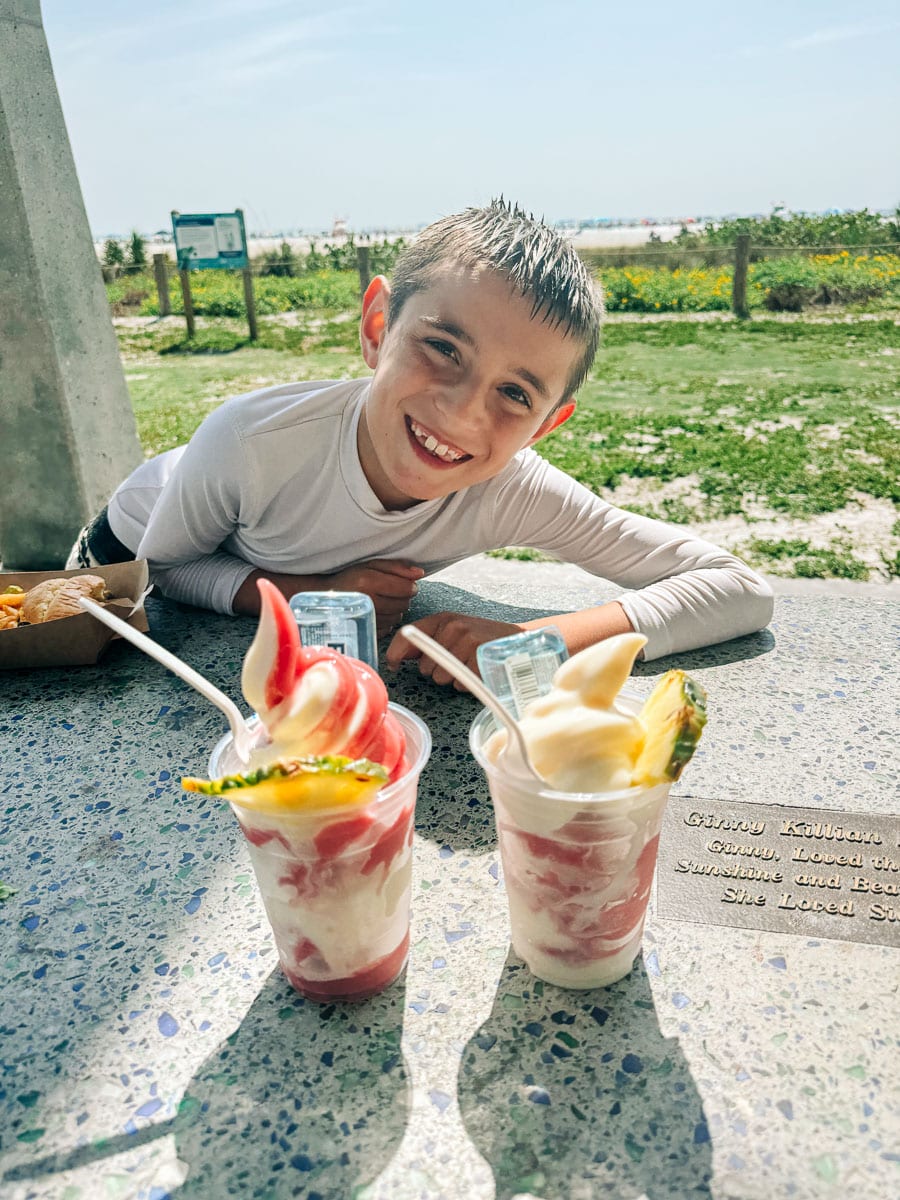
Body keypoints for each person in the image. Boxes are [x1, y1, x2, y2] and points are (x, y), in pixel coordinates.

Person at [68, 199, 773, 686]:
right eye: (442, 347)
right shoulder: (251, 439)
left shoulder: (513, 487)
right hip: (125, 552)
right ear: (377, 328)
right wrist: (314, 595)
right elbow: (164, 570)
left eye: (516, 395)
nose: (463, 415)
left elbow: (739, 590)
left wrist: (544, 640)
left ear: (546, 426)